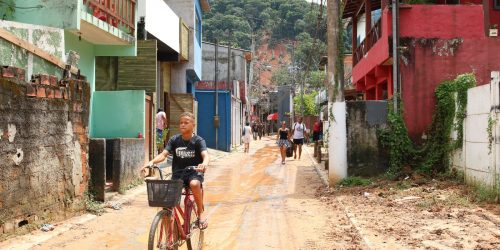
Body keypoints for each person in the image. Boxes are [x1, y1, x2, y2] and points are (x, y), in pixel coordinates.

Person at [142, 112, 209, 230]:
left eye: (186, 123)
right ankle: (169, 238)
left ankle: (200, 213)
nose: (182, 125)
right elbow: (163, 155)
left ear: (193, 124)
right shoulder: (174, 140)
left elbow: (205, 155)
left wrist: (204, 164)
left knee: (194, 184)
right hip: (178, 175)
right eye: (181, 123)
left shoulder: (198, 140)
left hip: (194, 173)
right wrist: (151, 162)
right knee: (166, 204)